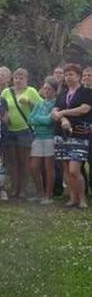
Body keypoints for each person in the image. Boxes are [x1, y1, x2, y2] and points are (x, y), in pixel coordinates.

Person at [51, 64, 91, 209]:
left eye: (71, 74)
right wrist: (63, 118)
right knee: (66, 169)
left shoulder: (86, 92)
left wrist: (63, 113)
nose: (68, 77)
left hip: (79, 135)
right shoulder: (62, 94)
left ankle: (82, 199)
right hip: (61, 135)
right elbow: (54, 112)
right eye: (66, 74)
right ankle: (72, 198)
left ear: (79, 76)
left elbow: (84, 109)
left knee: (75, 169)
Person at [1, 68, 41, 201]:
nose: (18, 80)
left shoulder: (31, 91)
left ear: (26, 79)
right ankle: (14, 187)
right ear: (12, 79)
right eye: (16, 78)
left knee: (24, 161)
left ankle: (23, 189)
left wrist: (29, 102)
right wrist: (5, 115)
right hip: (10, 131)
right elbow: (1, 106)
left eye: (21, 78)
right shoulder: (6, 91)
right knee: (13, 162)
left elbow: (42, 106)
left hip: (25, 130)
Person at [29, 77, 58, 205]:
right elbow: (30, 119)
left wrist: (39, 119)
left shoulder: (56, 104)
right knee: (34, 167)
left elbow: (50, 121)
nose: (46, 91)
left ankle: (48, 195)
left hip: (49, 138)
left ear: (54, 91)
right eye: (45, 88)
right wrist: (43, 119)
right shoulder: (39, 103)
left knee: (48, 168)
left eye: (49, 89)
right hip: (37, 137)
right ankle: (39, 192)